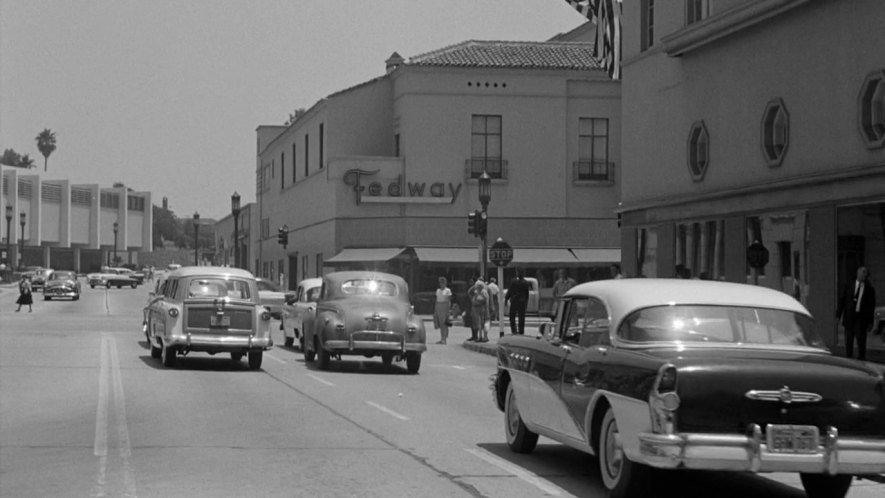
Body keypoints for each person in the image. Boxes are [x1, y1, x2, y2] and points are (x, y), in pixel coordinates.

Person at [836, 266, 876, 360]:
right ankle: (849, 358)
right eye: (863, 272)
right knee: (848, 341)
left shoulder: (869, 289)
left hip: (861, 319)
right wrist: (838, 314)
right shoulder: (849, 285)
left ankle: (861, 359)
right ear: (858, 273)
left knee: (861, 342)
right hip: (850, 317)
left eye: (866, 273)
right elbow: (842, 300)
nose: (864, 275)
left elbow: (871, 307)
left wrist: (870, 322)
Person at [505, 268, 530, 335]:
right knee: (521, 318)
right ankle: (521, 331)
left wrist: (506, 299)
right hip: (522, 302)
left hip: (514, 301)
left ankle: (514, 330)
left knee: (512, 317)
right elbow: (527, 294)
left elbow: (510, 291)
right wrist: (526, 303)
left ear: (517, 273)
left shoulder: (514, 281)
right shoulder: (525, 282)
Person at [468, 277, 490, 342]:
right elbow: (470, 293)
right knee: (479, 324)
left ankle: (485, 337)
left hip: (484, 310)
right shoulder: (476, 292)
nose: (478, 287)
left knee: (484, 323)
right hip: (477, 310)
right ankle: (480, 337)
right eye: (477, 286)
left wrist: (476, 301)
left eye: (479, 286)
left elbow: (483, 300)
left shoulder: (483, 292)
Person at [432, 277, 452, 345]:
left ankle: (444, 339)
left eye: (443, 282)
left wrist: (448, 310)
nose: (442, 284)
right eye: (440, 282)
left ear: (445, 283)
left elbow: (449, 301)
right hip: (439, 306)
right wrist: (435, 310)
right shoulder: (438, 290)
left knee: (444, 324)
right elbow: (436, 301)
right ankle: (442, 338)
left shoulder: (448, 290)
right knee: (440, 324)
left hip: (445, 306)